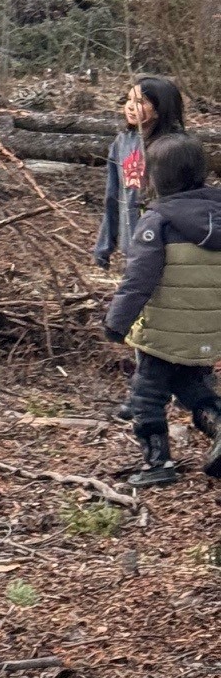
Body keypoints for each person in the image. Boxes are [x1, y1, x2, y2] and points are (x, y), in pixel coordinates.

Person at [104, 132, 221, 489]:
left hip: (163, 331)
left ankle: (159, 463)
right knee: (193, 386)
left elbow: (138, 280)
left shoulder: (157, 221)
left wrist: (116, 323)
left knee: (146, 395)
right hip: (208, 329)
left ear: (157, 178)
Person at [94, 77, 185, 268]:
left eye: (140, 102)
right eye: (128, 100)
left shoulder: (176, 146)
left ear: (160, 110)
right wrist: (104, 247)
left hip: (168, 247)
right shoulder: (123, 142)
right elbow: (113, 196)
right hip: (133, 244)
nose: (130, 106)